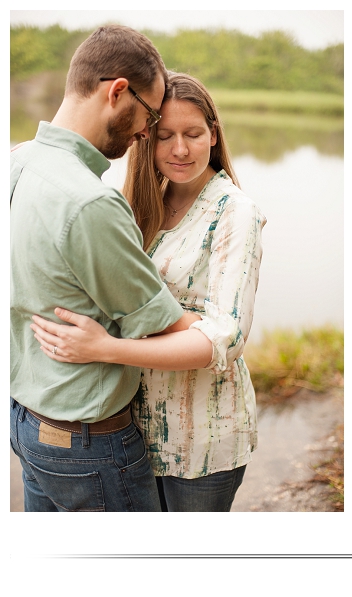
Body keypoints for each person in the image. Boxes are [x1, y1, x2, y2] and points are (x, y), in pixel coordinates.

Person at [31, 72, 266, 512]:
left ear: (213, 135)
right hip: (134, 432)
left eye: (193, 134)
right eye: (165, 136)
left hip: (199, 439)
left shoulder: (236, 212)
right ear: (145, 140)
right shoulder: (144, 202)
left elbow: (225, 339)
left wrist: (106, 348)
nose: (180, 149)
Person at [10, 25, 205, 512]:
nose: (147, 132)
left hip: (27, 424)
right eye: (151, 115)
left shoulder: (17, 163)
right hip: (88, 445)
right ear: (118, 91)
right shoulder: (91, 202)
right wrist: (209, 325)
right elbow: (168, 327)